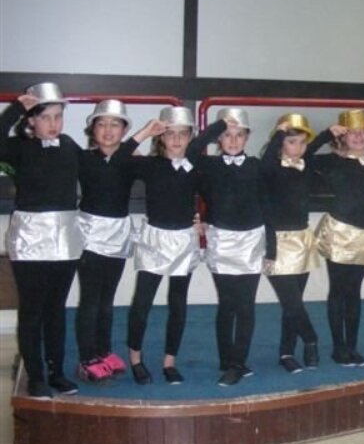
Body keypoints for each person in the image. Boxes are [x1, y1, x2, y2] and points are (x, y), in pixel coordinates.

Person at [125, 105, 218, 385]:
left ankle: (169, 361)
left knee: (178, 303)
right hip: (155, 238)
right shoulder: (150, 165)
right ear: (161, 137)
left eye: (183, 134)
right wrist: (143, 133)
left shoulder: (196, 168)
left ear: (191, 137)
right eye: (170, 133)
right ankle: (135, 358)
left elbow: (214, 195)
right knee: (142, 301)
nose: (176, 139)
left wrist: (205, 219)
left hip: (183, 239)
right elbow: (119, 159)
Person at [0, 83, 82, 398]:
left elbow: (97, 172)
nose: (53, 123)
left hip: (65, 238)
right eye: (45, 117)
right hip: (30, 238)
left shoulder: (69, 145)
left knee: (56, 309)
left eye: (58, 116)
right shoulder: (17, 147)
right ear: (32, 119)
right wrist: (14, 109)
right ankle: (36, 376)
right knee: (32, 309)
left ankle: (57, 372)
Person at [75, 99, 163, 384]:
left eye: (115, 124)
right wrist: (143, 134)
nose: (108, 130)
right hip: (89, 235)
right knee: (90, 300)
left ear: (123, 130)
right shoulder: (85, 159)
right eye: (101, 124)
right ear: (92, 129)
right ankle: (86, 358)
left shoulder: (130, 161)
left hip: (117, 235)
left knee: (107, 300)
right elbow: (110, 168)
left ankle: (103, 351)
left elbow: (160, 173)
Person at [197, 108, 276, 386]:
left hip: (252, 240)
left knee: (246, 305)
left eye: (239, 135)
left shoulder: (256, 166)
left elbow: (267, 207)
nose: (233, 141)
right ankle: (226, 359)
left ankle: (238, 362)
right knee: (227, 304)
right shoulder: (210, 166)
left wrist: (272, 249)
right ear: (218, 139)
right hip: (222, 240)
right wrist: (217, 125)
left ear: (247, 138)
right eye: (227, 135)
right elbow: (193, 149)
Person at [313, 109, 364, 367]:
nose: (358, 137)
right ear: (343, 136)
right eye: (352, 132)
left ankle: (352, 346)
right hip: (339, 233)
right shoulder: (332, 162)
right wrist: (325, 135)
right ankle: (338, 347)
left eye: (362, 131)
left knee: (354, 291)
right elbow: (303, 156)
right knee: (338, 289)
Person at [262, 113, 326, 374]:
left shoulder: (305, 165)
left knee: (294, 302)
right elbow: (267, 161)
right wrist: (279, 132)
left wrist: (329, 133)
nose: (297, 148)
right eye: (291, 142)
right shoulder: (270, 168)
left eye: (301, 143)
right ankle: (311, 339)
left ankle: (286, 352)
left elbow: (315, 147)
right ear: (280, 144)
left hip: (302, 239)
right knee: (291, 302)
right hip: (277, 240)